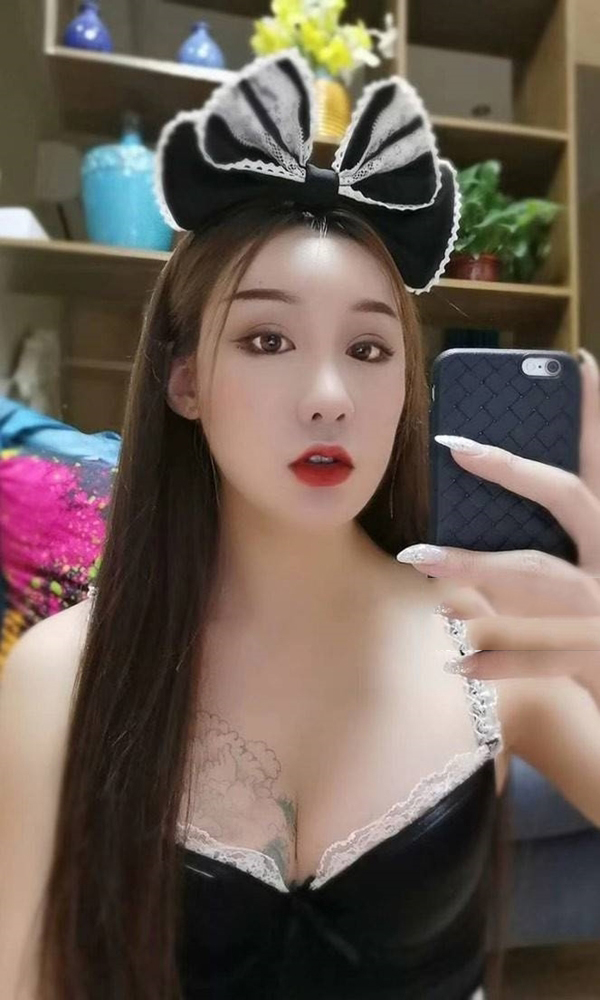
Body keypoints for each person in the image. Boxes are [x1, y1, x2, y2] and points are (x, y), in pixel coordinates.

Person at [2, 49, 600, 1000]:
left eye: (369, 348)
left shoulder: (489, 636)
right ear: (185, 380)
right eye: (268, 339)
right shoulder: (62, 675)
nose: (329, 396)